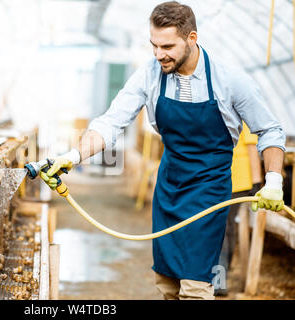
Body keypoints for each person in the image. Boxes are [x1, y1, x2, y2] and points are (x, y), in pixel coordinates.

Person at [40, 1, 286, 300]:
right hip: (169, 187)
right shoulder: (149, 74)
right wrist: (73, 156)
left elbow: (270, 130)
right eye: (154, 45)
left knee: (196, 285)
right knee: (166, 282)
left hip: (209, 191)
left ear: (191, 39)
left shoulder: (230, 80)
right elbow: (111, 122)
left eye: (167, 46)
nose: (159, 54)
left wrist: (274, 182)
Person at [215, 123, 262, 296]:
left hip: (236, 181)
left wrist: (257, 182)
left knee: (222, 229)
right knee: (227, 228)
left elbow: (252, 149)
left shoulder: (242, 117)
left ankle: (219, 279)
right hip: (221, 179)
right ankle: (222, 272)